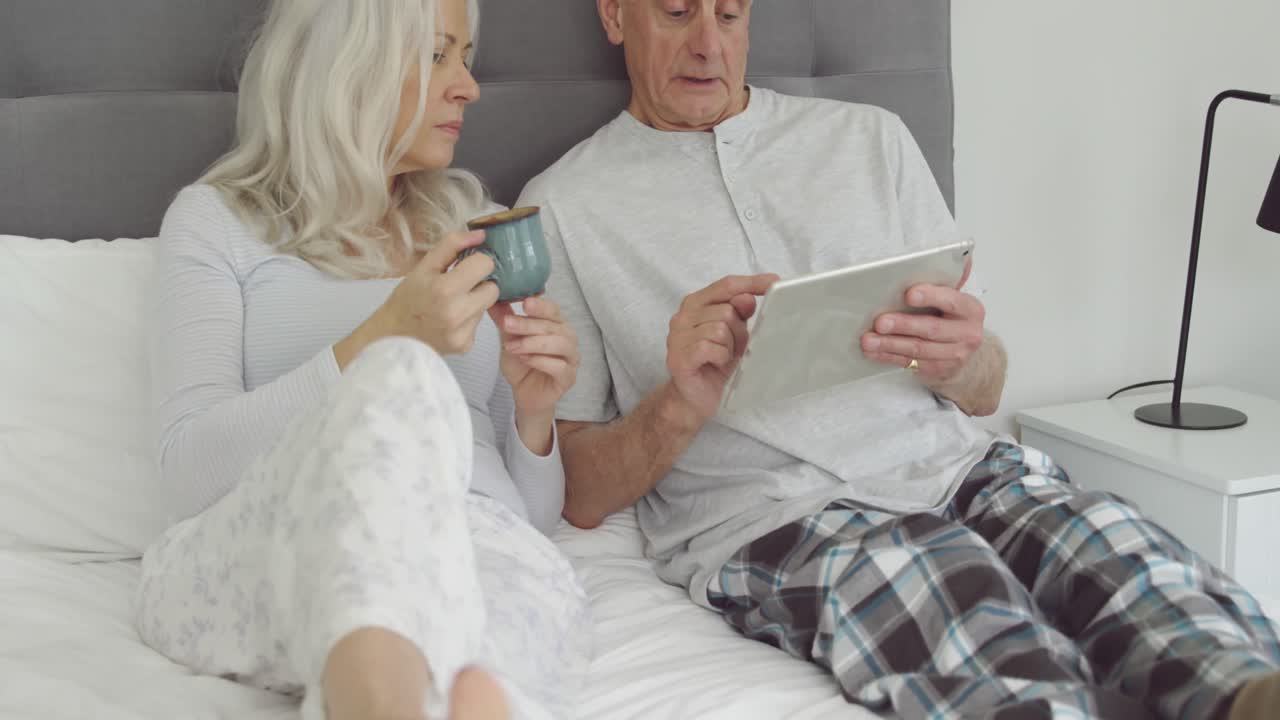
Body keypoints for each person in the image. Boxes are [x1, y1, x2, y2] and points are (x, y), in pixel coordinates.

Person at [518, 1, 1280, 717]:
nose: (709, 44)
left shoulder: (869, 140)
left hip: (960, 471)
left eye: (731, 11)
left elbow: (986, 391)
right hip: (779, 518)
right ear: (616, 13)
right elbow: (579, 493)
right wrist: (680, 401)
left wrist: (958, 360)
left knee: (1128, 564)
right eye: (678, 10)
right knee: (956, 600)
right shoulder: (562, 206)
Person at [135, 1, 590, 719]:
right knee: (401, 380)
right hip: (281, 535)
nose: (468, 86)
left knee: (489, 625)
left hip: (474, 539)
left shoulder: (472, 230)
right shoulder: (218, 222)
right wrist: (385, 335)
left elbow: (528, 517)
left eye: (465, 57)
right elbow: (187, 475)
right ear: (349, 66)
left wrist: (534, 417)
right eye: (438, 54)